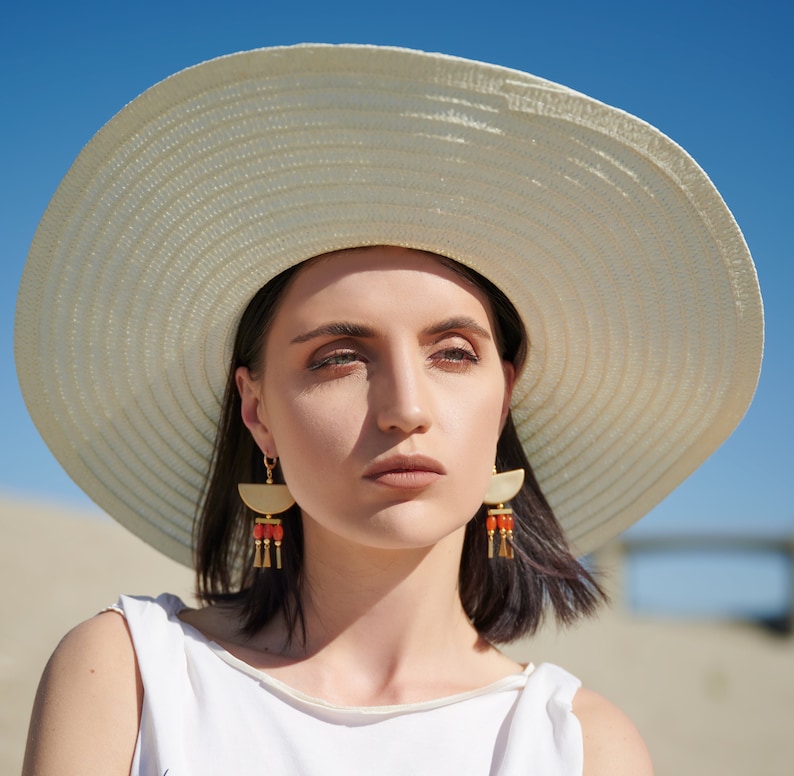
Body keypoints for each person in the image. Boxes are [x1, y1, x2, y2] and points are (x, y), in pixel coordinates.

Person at [15, 44, 762, 775]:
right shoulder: (131, 676)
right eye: (339, 357)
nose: (405, 407)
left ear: (504, 398)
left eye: (453, 353)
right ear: (257, 411)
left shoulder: (581, 749)